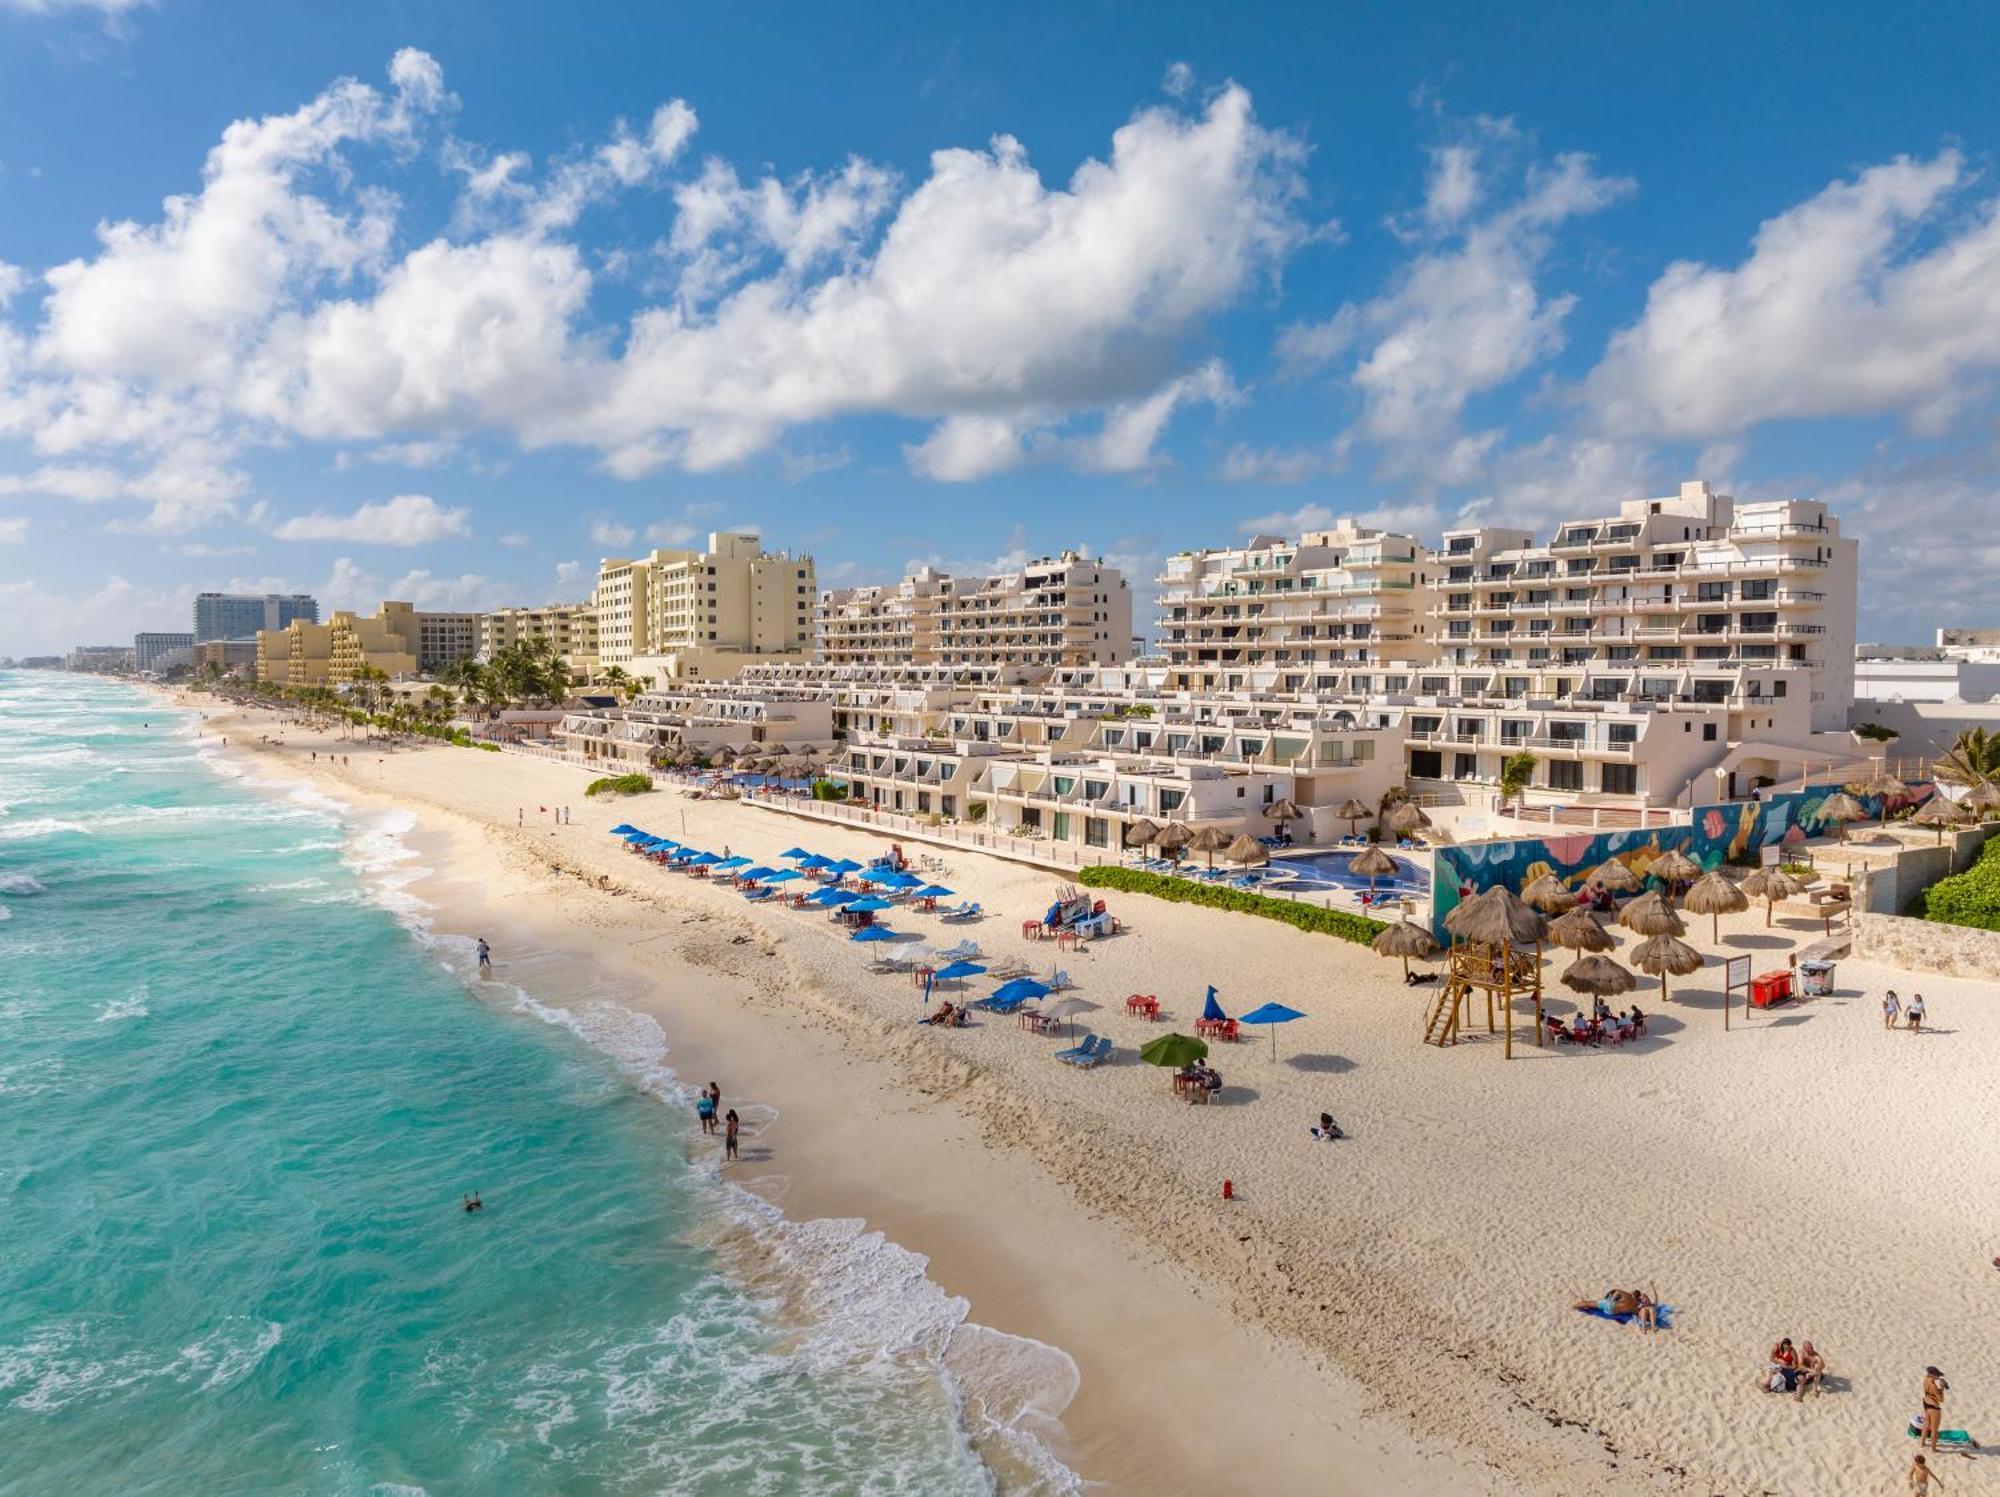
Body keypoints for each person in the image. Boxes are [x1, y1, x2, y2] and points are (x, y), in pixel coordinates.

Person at [1921, 1366, 1948, 1452]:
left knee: (1926, 1423)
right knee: (1934, 1429)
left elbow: (1930, 1392)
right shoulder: (1933, 1385)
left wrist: (1939, 1388)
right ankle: (1934, 1449)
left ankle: (1922, 1443)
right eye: (1937, 1375)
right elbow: (1941, 1399)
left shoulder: (1926, 1379)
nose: (1938, 1377)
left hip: (1926, 1403)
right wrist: (1942, 1388)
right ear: (1932, 1375)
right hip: (1934, 1407)